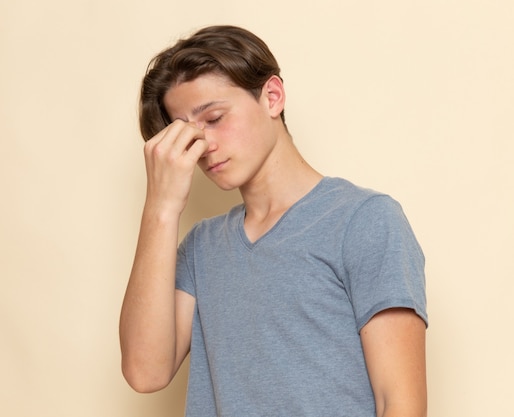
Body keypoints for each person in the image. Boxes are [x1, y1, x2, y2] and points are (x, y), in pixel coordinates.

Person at [119, 25, 428, 417]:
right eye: (186, 134)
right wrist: (160, 208)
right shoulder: (201, 247)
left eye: (214, 118)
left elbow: (400, 403)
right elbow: (145, 373)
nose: (204, 145)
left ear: (272, 97)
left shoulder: (363, 220)